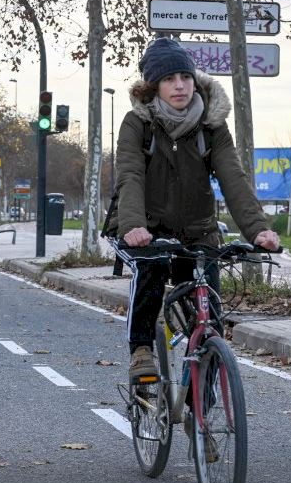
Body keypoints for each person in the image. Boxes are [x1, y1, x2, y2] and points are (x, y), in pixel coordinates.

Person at [104, 37, 280, 389]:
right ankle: (141, 349)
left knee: (208, 316)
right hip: (147, 230)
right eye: (169, 79)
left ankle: (200, 403)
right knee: (152, 269)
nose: (180, 85)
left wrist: (257, 229)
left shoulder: (211, 126)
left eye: (185, 76)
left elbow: (233, 177)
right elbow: (130, 175)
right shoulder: (138, 124)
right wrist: (134, 226)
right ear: (153, 86)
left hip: (198, 232)